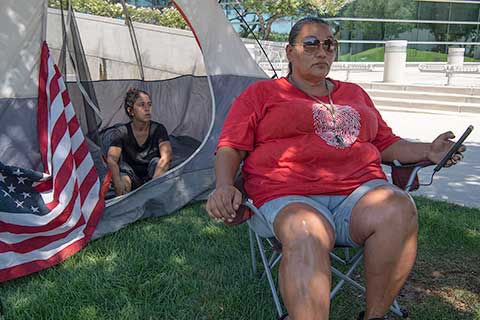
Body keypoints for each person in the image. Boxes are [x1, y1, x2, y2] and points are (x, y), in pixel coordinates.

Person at [205, 17, 466, 320]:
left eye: (329, 45)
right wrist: (224, 185)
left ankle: (376, 316)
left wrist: (428, 151)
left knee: (398, 207)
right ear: (290, 52)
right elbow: (230, 146)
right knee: (307, 228)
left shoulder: (354, 94)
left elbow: (385, 143)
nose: (322, 52)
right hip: (285, 195)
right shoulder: (261, 94)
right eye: (311, 44)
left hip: (357, 194)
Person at [107, 88, 173, 196]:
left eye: (149, 104)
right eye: (142, 105)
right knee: (122, 170)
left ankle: (152, 194)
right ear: (131, 111)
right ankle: (124, 197)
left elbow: (167, 156)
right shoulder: (121, 132)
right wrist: (118, 182)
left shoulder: (158, 129)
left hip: (153, 174)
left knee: (158, 162)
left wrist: (152, 187)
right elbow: (111, 159)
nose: (147, 109)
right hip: (131, 175)